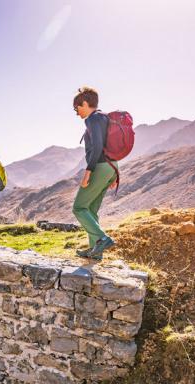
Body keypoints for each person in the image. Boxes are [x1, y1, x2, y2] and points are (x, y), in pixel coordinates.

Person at [72, 87, 118, 260]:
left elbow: (97, 147)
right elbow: (109, 146)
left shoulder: (93, 119)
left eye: (76, 108)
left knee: (79, 207)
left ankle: (102, 239)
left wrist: (88, 172)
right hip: (111, 166)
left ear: (85, 103)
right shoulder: (104, 117)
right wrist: (114, 174)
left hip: (100, 166)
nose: (76, 112)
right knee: (91, 209)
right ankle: (94, 251)